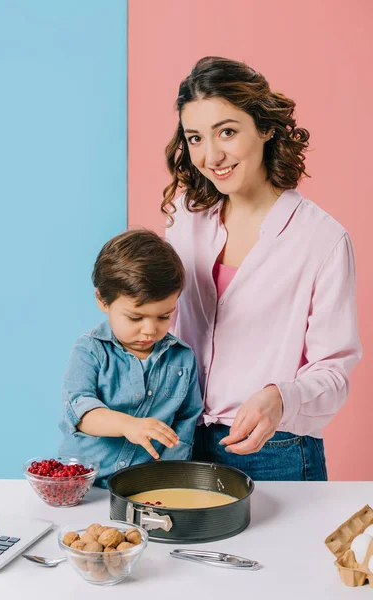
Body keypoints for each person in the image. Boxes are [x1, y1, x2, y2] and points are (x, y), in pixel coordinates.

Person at [162, 56, 362, 481]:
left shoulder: (322, 239)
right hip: (179, 440)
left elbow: (333, 370)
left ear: (266, 128)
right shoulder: (185, 217)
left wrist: (280, 398)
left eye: (227, 132)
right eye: (195, 138)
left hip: (276, 449)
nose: (211, 155)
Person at [59, 229, 203, 487]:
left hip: (146, 486)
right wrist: (128, 425)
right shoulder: (90, 350)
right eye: (135, 318)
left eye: (163, 316)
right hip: (85, 486)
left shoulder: (182, 358)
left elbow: (186, 421)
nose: (150, 330)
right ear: (103, 301)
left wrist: (170, 475)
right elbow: (80, 410)